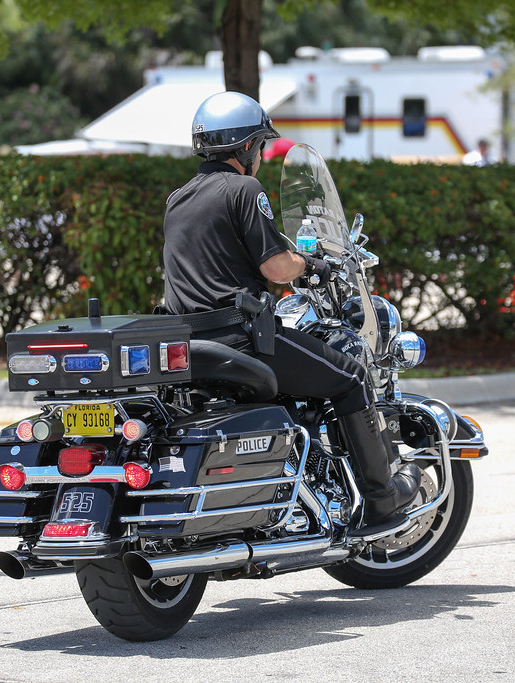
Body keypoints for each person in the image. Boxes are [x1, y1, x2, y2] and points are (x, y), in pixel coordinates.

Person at [161, 91, 421, 532]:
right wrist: (313, 264)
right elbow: (276, 266)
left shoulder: (178, 198)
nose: (261, 154)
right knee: (351, 378)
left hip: (188, 342)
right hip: (241, 338)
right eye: (260, 145)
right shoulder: (244, 189)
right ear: (247, 147)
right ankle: (383, 500)